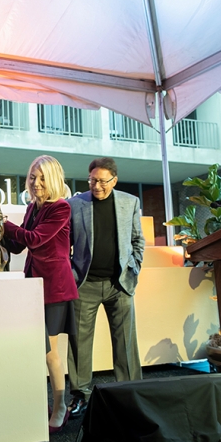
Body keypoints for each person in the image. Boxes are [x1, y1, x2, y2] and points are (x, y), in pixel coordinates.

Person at [3, 155, 79, 433]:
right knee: (38, 349)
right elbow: (21, 244)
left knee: (49, 352)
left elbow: (34, 239)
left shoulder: (61, 208)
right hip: (33, 286)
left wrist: (4, 224)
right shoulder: (32, 208)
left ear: (55, 179)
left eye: (43, 177)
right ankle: (47, 403)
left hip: (55, 288)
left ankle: (60, 407)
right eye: (34, 177)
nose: (36, 183)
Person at [66, 157, 145, 418]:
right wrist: (71, 273)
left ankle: (131, 392)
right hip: (85, 284)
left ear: (114, 180)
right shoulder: (75, 204)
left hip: (119, 284)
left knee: (125, 344)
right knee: (79, 344)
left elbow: (137, 240)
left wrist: (134, 270)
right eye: (92, 180)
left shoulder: (129, 202)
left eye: (101, 181)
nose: (96, 186)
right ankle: (80, 396)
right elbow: (64, 245)